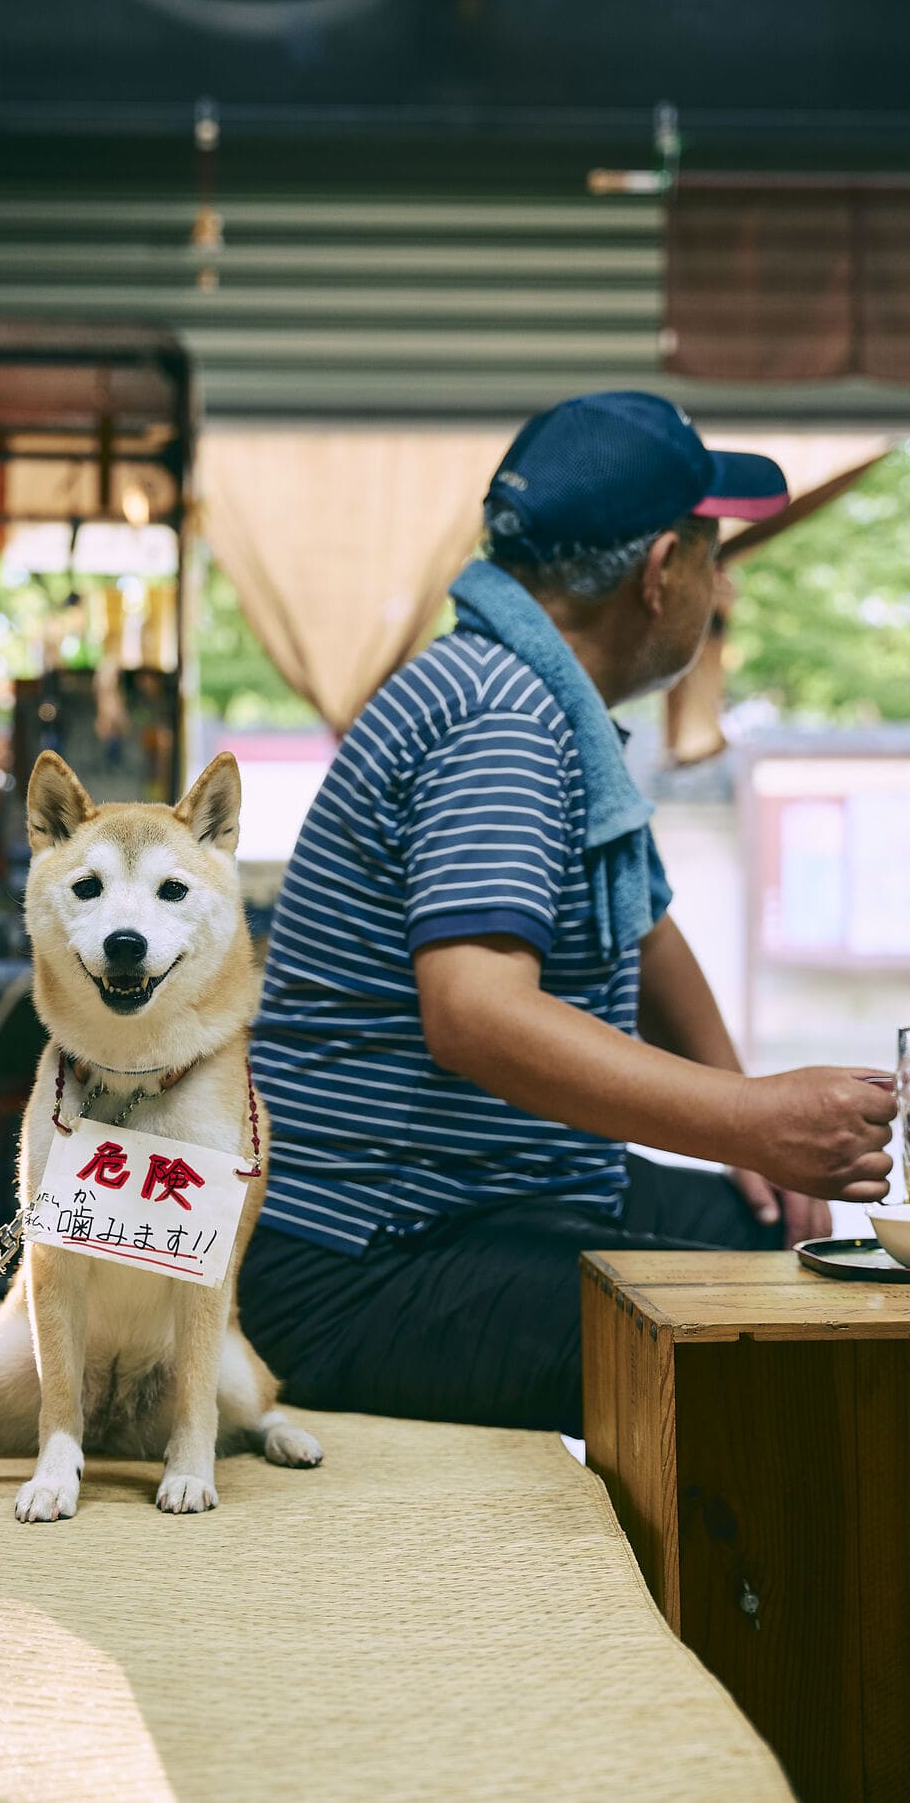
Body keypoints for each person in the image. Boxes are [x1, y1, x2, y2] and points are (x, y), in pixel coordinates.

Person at [238, 391, 895, 1437]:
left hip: (475, 1199)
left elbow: (643, 925)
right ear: (659, 573)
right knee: (786, 1346)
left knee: (775, 1237)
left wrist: (749, 1128)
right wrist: (749, 1118)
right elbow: (476, 1015)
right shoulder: (500, 718)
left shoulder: (531, 691)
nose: (720, 588)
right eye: (713, 557)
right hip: (361, 1261)